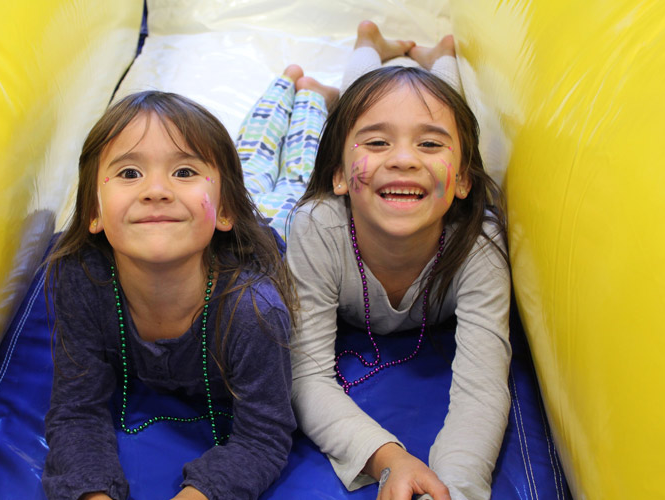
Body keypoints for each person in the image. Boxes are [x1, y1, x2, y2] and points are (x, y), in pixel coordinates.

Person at [285, 21, 512, 500]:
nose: (404, 158)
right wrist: (389, 458)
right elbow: (306, 374)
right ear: (341, 178)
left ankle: (442, 57)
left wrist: (455, 491)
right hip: (333, 186)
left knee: (434, 101)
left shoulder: (478, 245)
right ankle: (369, 44)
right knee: (363, 99)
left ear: (464, 181)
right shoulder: (318, 227)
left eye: (429, 145)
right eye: (377, 144)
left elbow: (483, 389)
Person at [41, 91, 297, 500]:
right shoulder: (84, 280)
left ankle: (308, 89)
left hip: (278, 223)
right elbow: (76, 411)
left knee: (292, 168)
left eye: (182, 172)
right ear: (93, 211)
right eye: (128, 174)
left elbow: (263, 437)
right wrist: (92, 494)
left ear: (225, 212)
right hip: (216, 214)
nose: (156, 190)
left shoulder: (253, 311)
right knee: (258, 153)